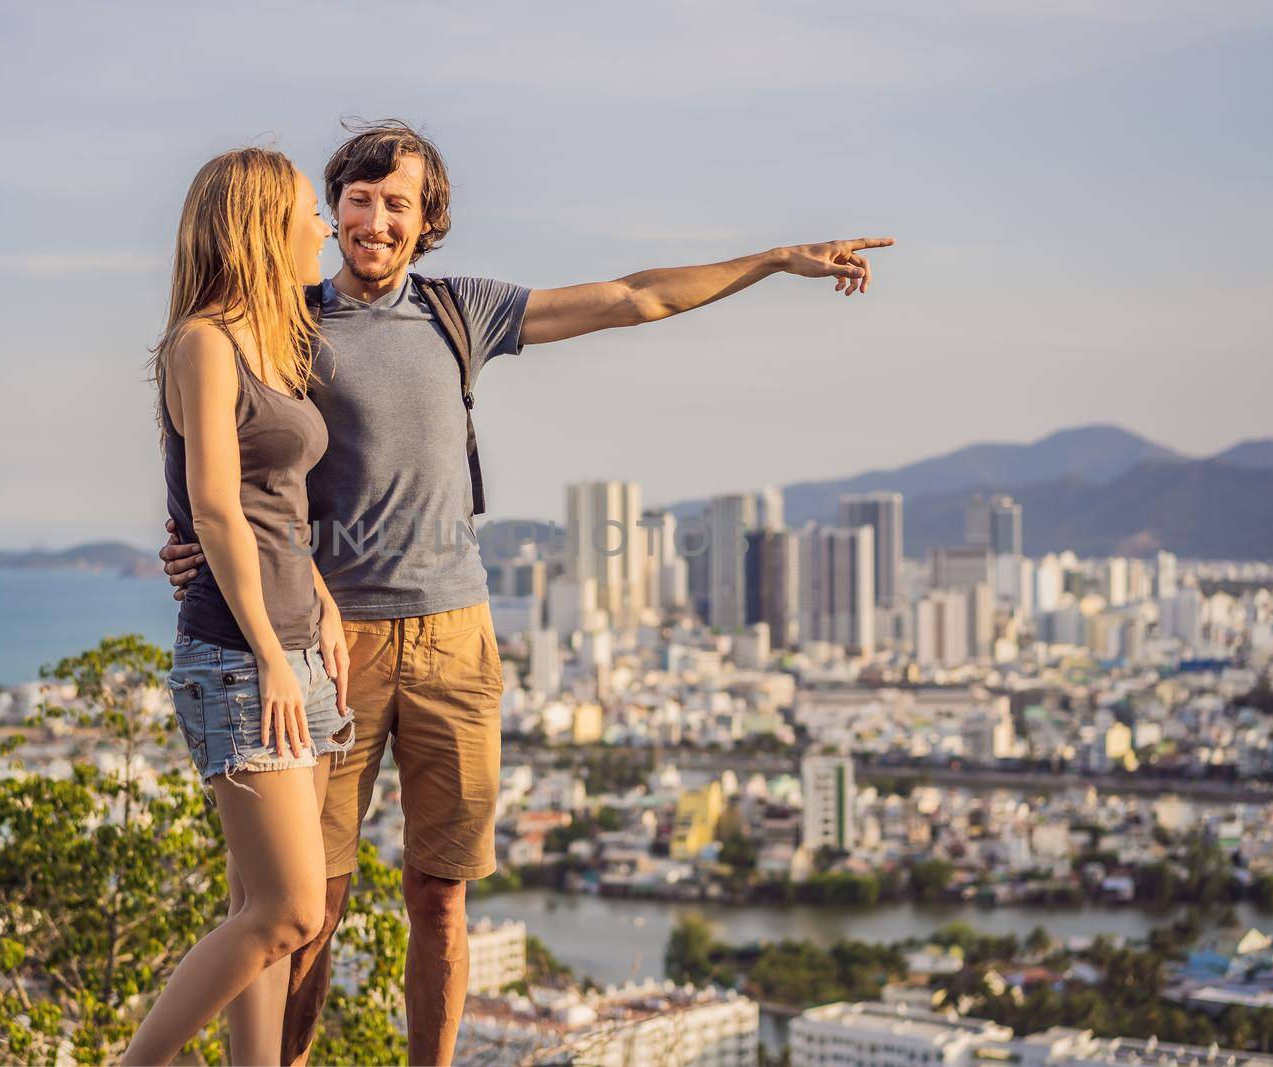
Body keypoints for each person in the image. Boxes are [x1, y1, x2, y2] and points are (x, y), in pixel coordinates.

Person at [161, 119, 895, 1066]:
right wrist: (184, 540)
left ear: (429, 221)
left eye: (399, 202)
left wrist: (775, 260)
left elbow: (635, 298)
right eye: (358, 198)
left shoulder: (459, 311)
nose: (375, 218)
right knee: (309, 907)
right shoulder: (280, 319)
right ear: (333, 209)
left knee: (441, 893)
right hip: (332, 643)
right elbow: (216, 456)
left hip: (457, 637)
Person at [121, 147, 350, 1067]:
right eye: (311, 211)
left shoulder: (275, 342)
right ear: (261, 223)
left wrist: (323, 603)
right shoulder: (203, 342)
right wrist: (264, 648)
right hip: (238, 656)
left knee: (269, 915)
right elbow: (215, 505)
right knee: (290, 906)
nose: (326, 228)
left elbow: (276, 506)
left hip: (300, 647)